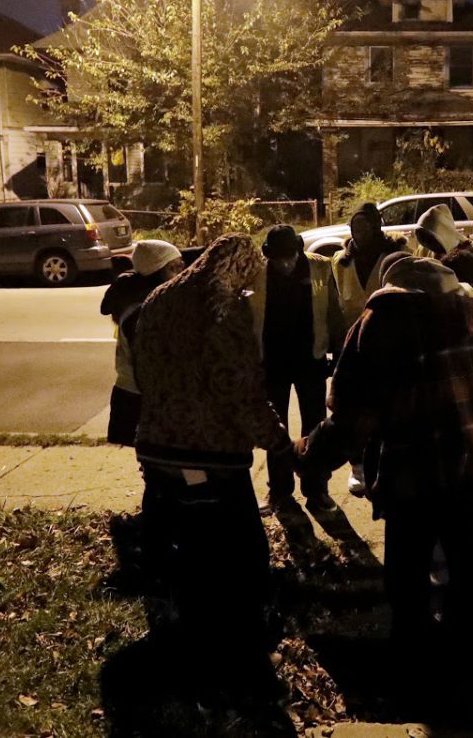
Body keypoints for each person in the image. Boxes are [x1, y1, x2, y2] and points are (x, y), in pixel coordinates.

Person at [298, 256, 473, 649]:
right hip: (472, 465)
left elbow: (354, 415)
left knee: (407, 569)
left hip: (410, 471)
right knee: (465, 560)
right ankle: (465, 650)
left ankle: (413, 654)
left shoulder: (378, 323)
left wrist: (310, 456)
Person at [130, 234, 293, 668]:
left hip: (155, 446)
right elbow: (236, 388)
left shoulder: (161, 297)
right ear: (238, 269)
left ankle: (184, 626)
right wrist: (277, 440)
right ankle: (239, 642)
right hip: (209, 455)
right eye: (250, 276)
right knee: (240, 549)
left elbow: (142, 368)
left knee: (183, 543)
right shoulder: (224, 308)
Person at [249, 224, 342, 512]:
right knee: (275, 430)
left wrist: (338, 357)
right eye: (279, 259)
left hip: (310, 360)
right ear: (269, 256)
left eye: (289, 257)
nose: (285, 264)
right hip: (272, 362)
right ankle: (279, 491)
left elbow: (334, 312)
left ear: (298, 250)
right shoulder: (257, 273)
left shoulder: (321, 267)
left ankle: (316, 490)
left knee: (315, 429)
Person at [330, 204, 408, 496]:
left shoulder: (395, 258)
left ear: (377, 227)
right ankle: (358, 467)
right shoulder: (340, 261)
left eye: (364, 227)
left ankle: (385, 466)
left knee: (385, 410)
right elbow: (335, 306)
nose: (358, 233)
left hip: (388, 347)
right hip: (351, 348)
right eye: (354, 227)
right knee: (350, 409)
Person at [101, 240, 184, 447]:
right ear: (155, 273)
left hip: (141, 396)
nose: (181, 273)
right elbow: (153, 366)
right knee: (159, 462)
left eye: (182, 265)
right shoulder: (143, 312)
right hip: (140, 400)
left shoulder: (150, 301)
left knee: (158, 463)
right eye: (173, 268)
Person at [413, 203, 473, 291]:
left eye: (429, 237)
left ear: (442, 233)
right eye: (422, 237)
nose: (425, 242)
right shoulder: (423, 249)